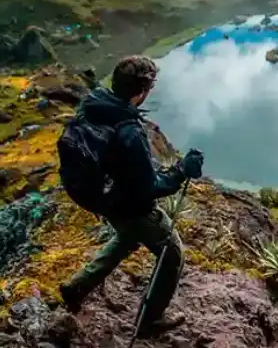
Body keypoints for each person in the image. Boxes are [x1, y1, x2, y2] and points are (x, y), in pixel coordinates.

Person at [58, 55, 204, 339]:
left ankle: (76, 288)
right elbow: (149, 187)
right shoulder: (129, 131)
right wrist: (181, 171)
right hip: (131, 206)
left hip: (103, 198)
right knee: (172, 255)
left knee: (126, 238)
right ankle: (150, 321)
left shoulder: (95, 106)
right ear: (143, 90)